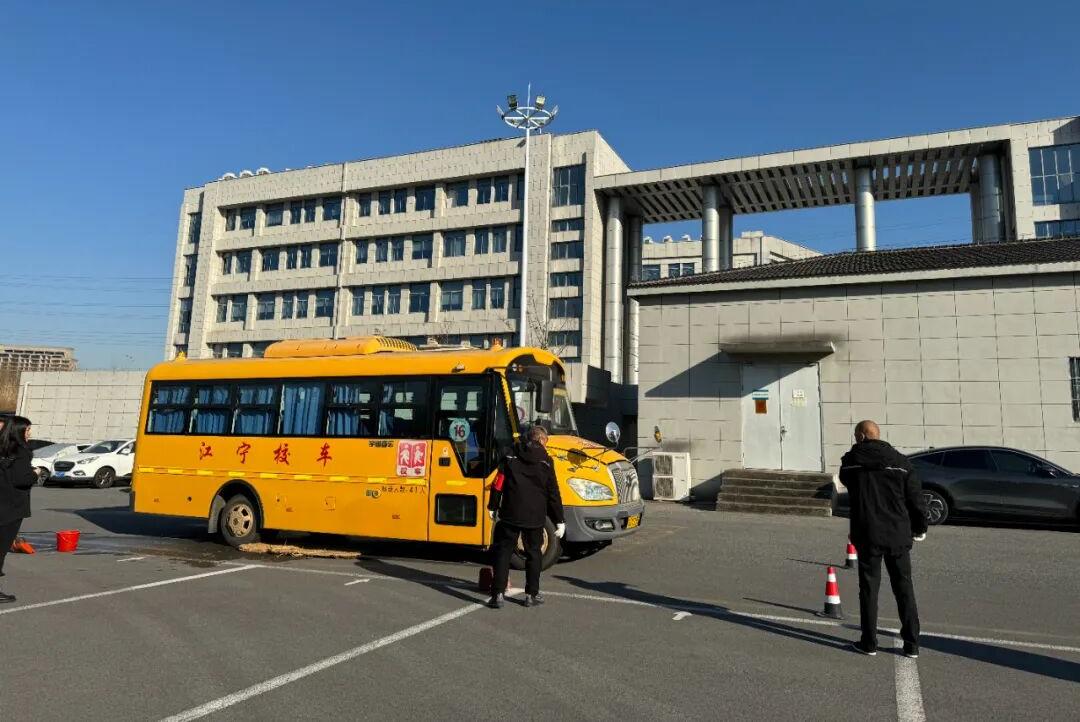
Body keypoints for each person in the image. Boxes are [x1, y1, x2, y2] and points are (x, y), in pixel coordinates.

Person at [839, 420, 928, 658]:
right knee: (904, 587)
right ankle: (912, 644)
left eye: (856, 436)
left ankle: (869, 642)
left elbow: (845, 479)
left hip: (867, 532)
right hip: (898, 532)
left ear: (861, 436)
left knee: (869, 589)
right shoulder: (901, 463)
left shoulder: (852, 463)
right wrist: (920, 527)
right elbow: (916, 500)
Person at [486, 425, 565, 609]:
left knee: (504, 551)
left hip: (510, 512)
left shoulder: (510, 454)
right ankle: (531, 595)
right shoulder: (546, 461)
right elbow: (553, 493)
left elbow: (499, 483)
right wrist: (560, 520)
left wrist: (493, 505)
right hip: (535, 515)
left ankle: (498, 594)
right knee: (534, 553)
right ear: (542, 440)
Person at [0, 415, 35, 603]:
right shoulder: (21, 452)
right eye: (27, 430)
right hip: (11, 507)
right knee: (1, 549)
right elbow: (22, 479)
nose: (30, 433)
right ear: (18, 431)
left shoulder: (3, 448)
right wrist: (35, 473)